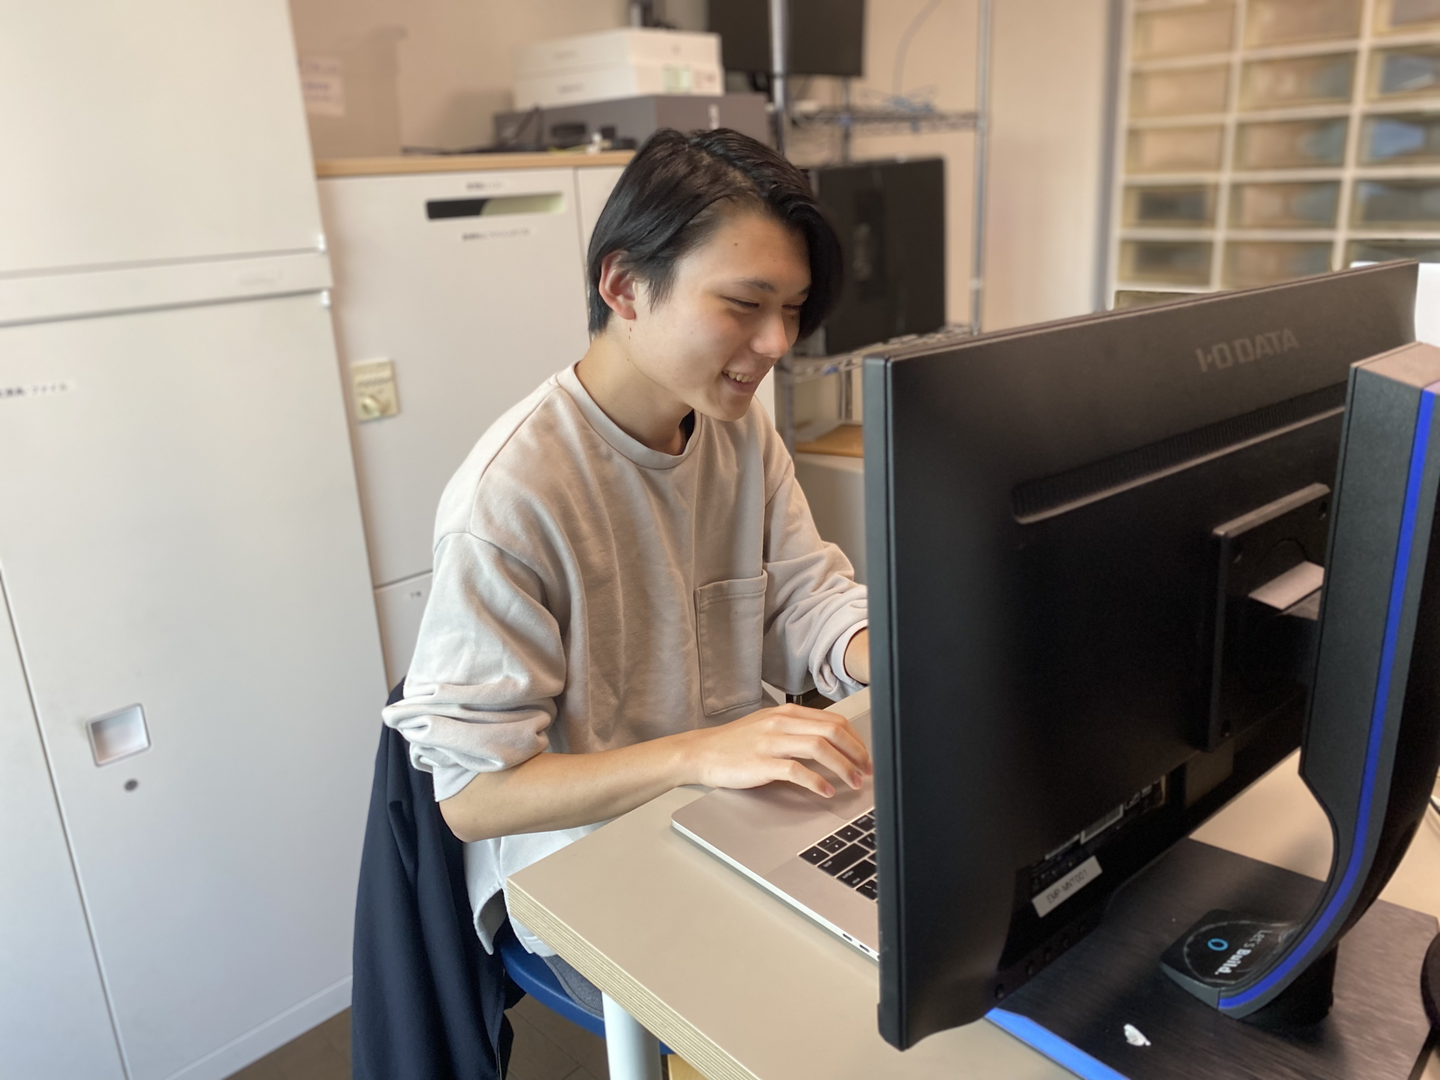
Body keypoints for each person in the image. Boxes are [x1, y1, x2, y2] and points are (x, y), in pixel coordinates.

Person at [381, 127, 872, 1011]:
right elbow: (476, 796)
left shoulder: (737, 430)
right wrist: (702, 754)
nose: (776, 342)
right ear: (624, 286)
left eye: (794, 309)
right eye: (745, 304)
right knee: (806, 1012)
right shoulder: (512, 496)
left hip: (723, 805)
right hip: (582, 863)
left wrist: (901, 654)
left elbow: (805, 597)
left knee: (886, 941)